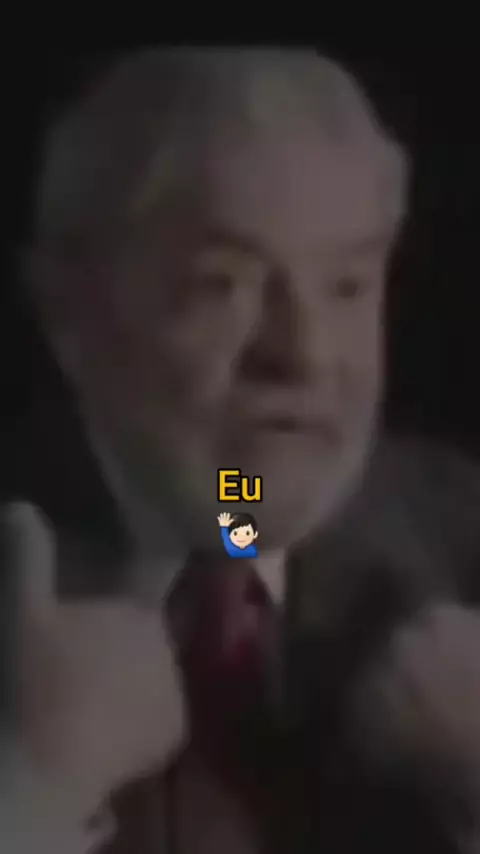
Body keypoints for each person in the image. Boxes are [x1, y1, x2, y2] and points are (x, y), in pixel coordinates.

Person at [2, 47, 480, 853]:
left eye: (347, 286)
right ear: (68, 312)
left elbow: (238, 510)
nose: (305, 355)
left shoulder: (464, 540)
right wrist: (30, 788)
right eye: (222, 286)